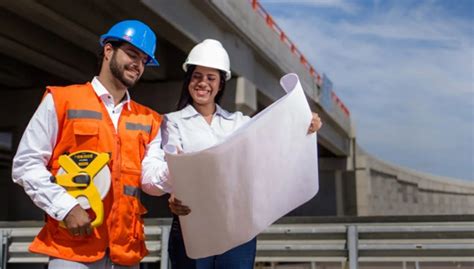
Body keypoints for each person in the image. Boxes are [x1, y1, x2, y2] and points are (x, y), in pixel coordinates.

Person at [12, 20, 169, 268]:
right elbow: (26, 164)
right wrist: (65, 207)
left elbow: (150, 182)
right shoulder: (63, 101)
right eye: (132, 54)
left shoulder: (150, 119)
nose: (138, 65)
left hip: (125, 250)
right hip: (73, 247)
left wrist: (180, 168)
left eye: (144, 60)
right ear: (108, 50)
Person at [157, 39, 322, 269]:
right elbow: (171, 166)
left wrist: (305, 123)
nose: (202, 83)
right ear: (188, 80)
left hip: (237, 229)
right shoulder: (171, 122)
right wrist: (175, 193)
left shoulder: (239, 122)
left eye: (210, 78)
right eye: (197, 76)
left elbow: (273, 140)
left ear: (221, 84)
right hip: (193, 226)